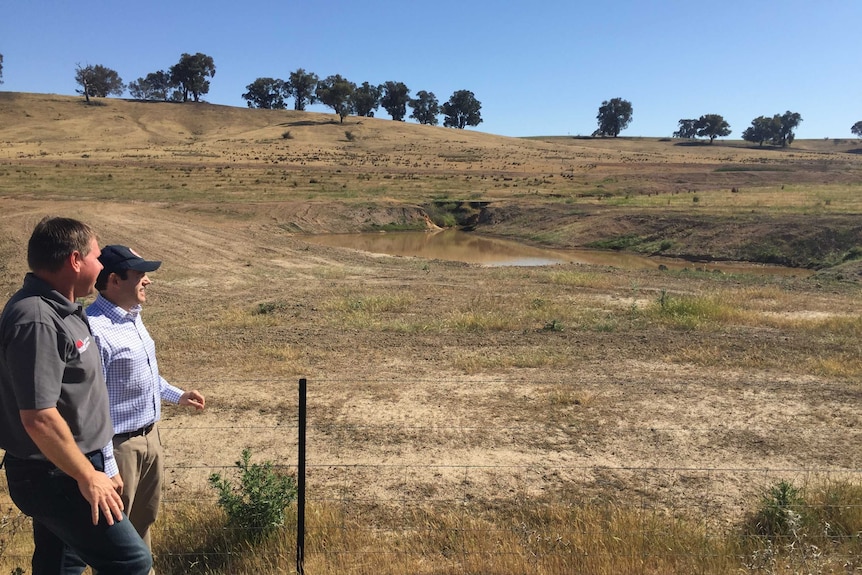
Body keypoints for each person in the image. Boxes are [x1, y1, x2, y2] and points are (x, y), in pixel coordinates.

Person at [0, 217, 152, 575]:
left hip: (70, 468)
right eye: (97, 256)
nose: (101, 265)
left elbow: (77, 403)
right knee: (131, 561)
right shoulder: (36, 318)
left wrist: (102, 462)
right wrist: (89, 476)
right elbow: (38, 416)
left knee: (62, 565)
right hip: (55, 475)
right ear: (75, 260)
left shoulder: (61, 310)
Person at [86, 244, 205, 557]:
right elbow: (90, 405)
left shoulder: (132, 317)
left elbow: (142, 376)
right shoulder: (94, 329)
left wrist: (177, 395)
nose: (147, 280)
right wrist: (107, 463)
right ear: (114, 280)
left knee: (143, 523)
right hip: (118, 448)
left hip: (151, 438)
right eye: (139, 273)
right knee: (116, 535)